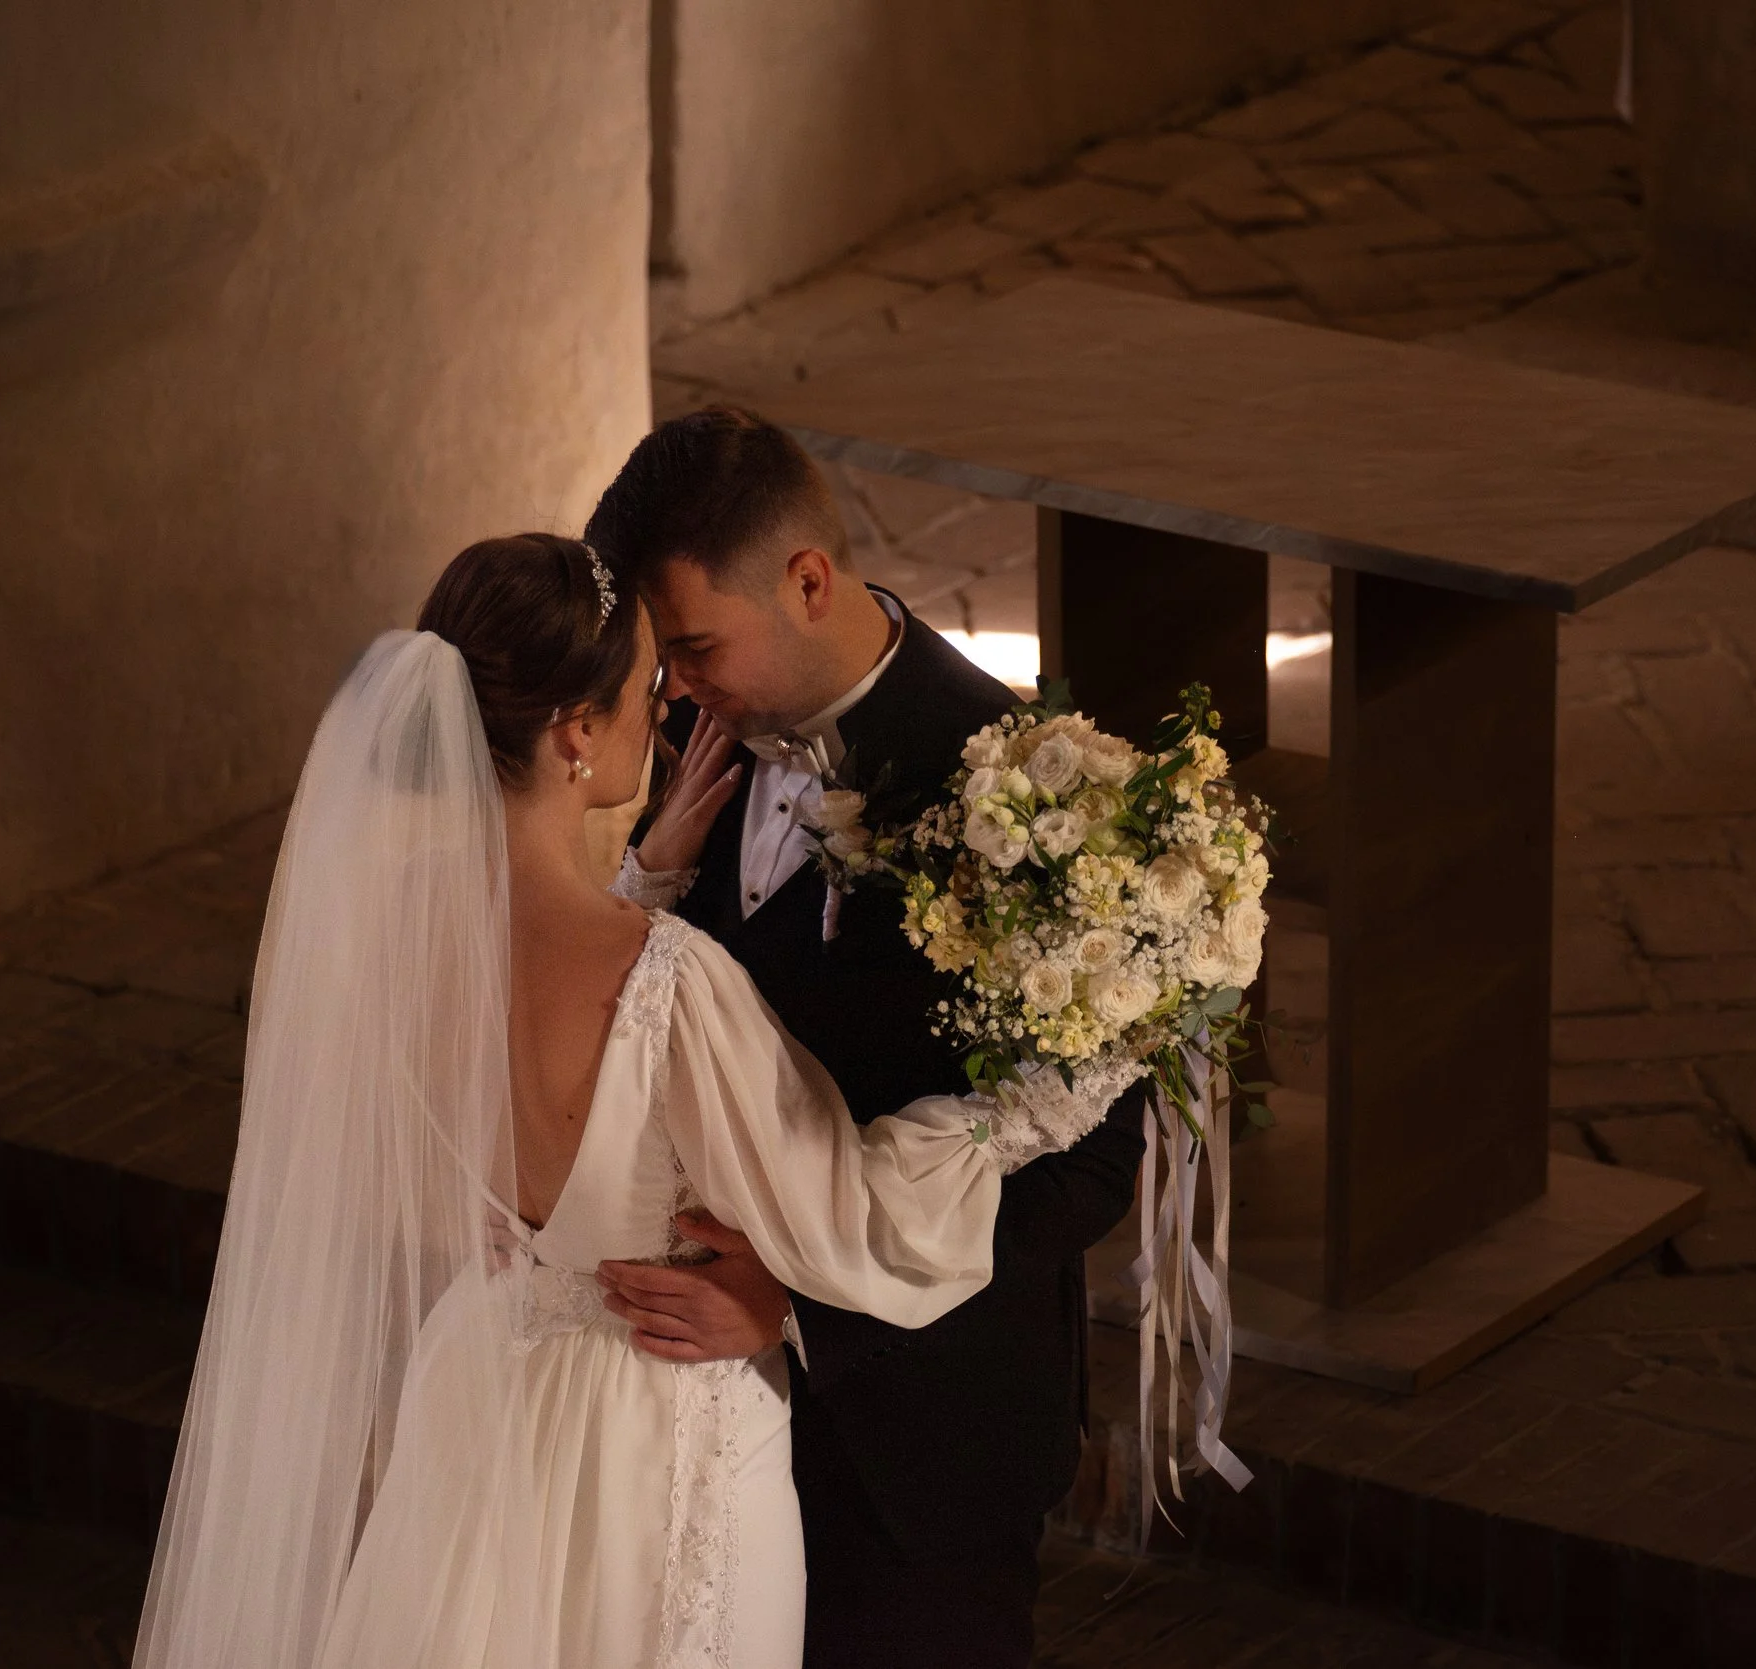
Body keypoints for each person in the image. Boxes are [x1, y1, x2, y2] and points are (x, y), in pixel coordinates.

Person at [131, 534, 1113, 1669]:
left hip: (491, 1389)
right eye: (646, 693)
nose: (670, 716)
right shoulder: (666, 981)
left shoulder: (386, 941)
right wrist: (1050, 1095)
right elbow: (849, 1211)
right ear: (574, 735)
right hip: (663, 1421)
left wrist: (640, 878)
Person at [587, 409, 1147, 1669]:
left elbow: (1094, 1162)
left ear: (805, 580)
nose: (672, 687)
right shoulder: (691, 725)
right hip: (705, 1422)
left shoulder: (1027, 796)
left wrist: (799, 1306)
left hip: (917, 1433)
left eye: (692, 646)